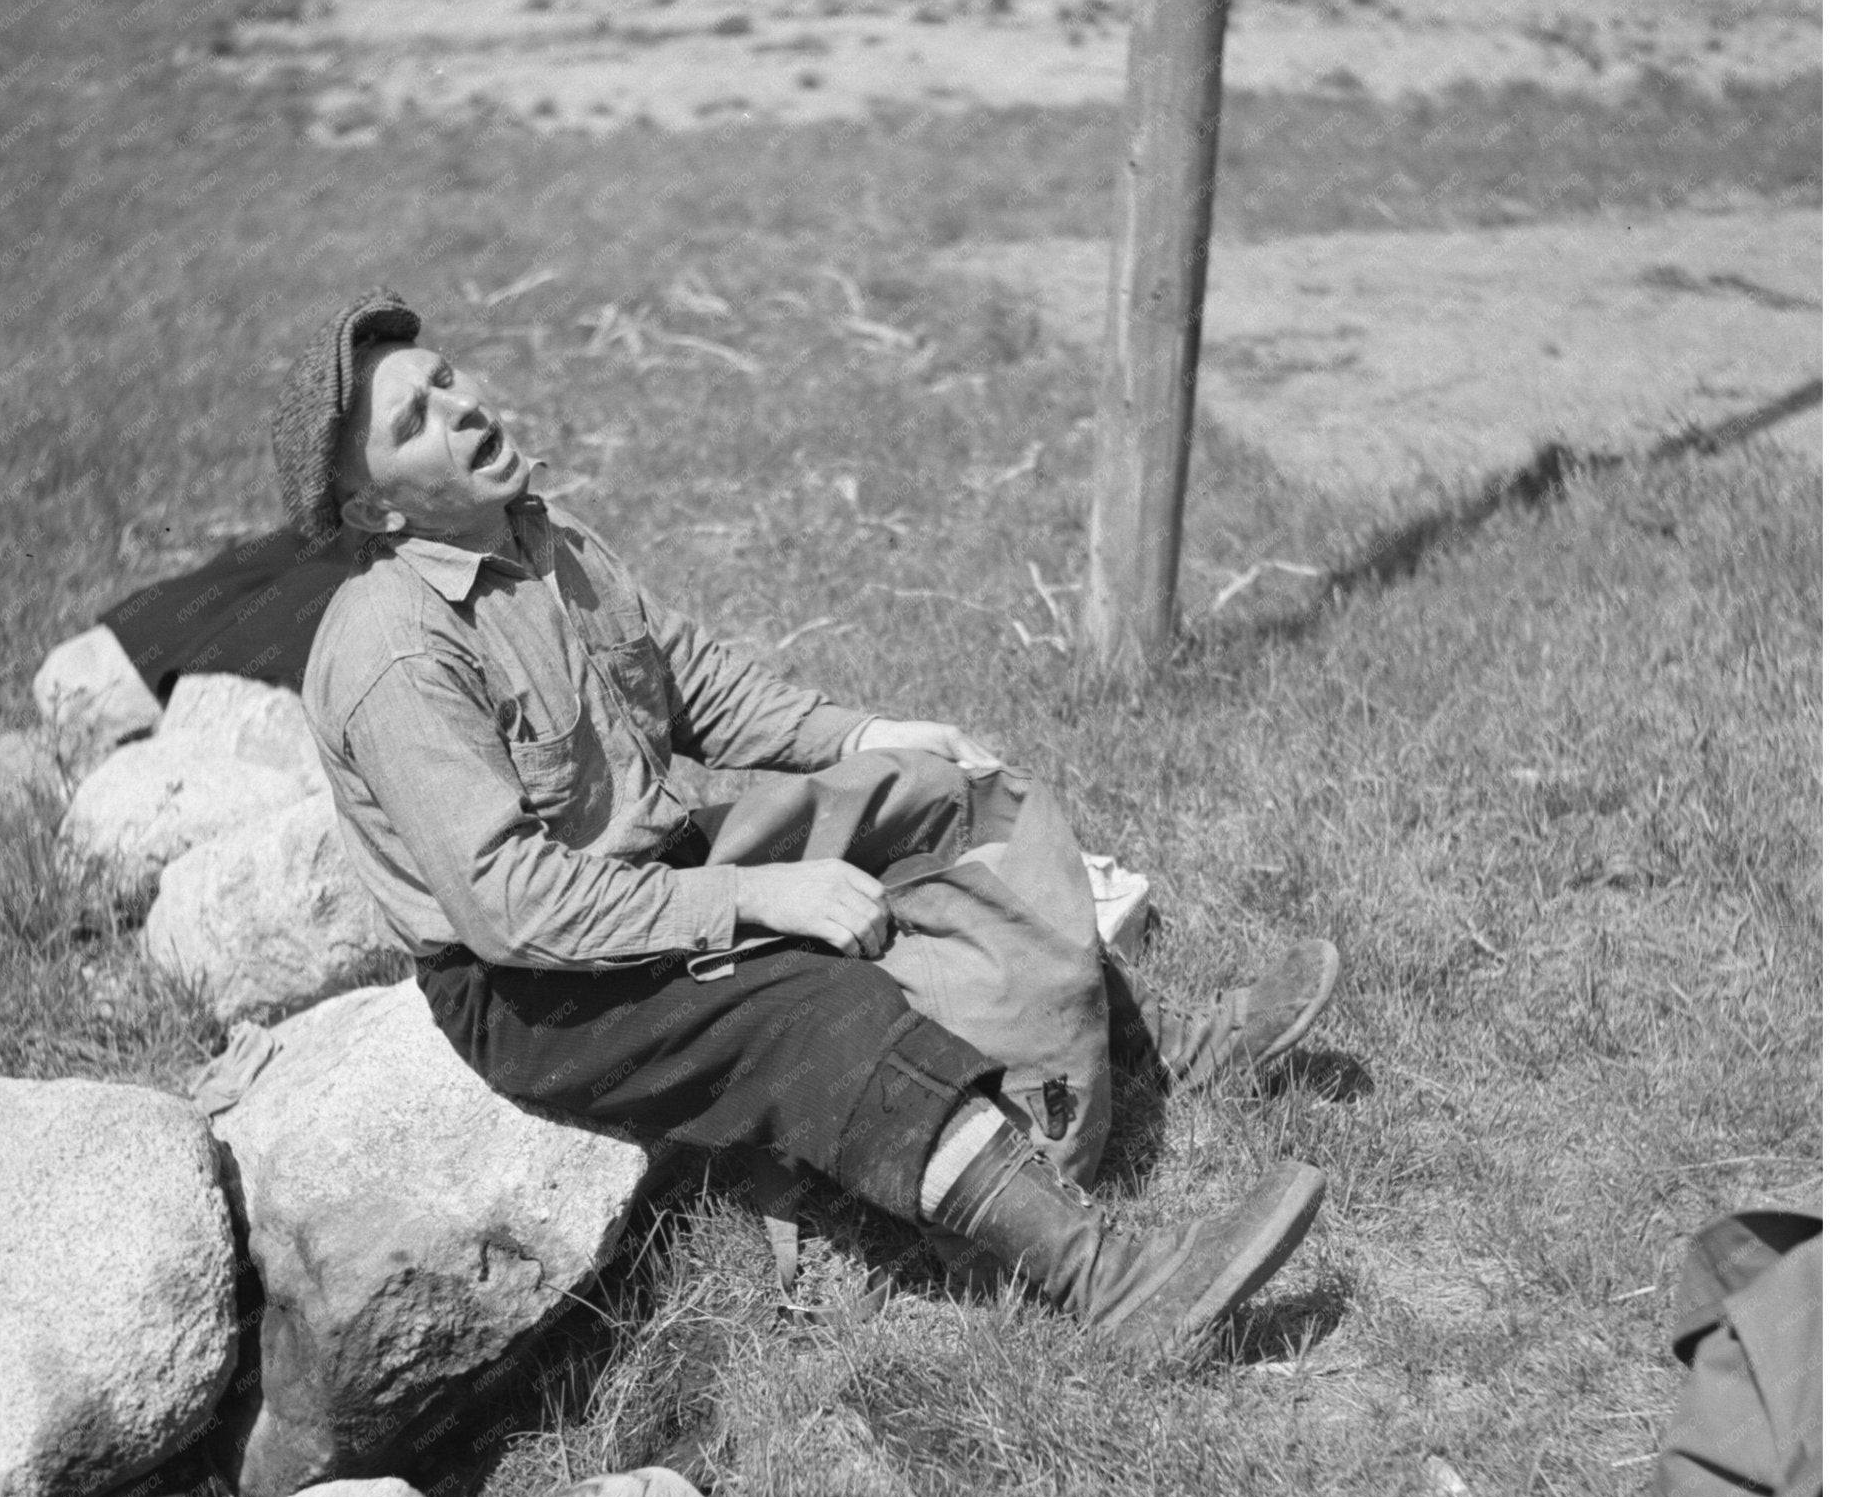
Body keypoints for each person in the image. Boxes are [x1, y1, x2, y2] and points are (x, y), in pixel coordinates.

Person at [279, 289, 1340, 1356]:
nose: (460, 409)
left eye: (446, 378)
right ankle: (1110, 1280)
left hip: (655, 871)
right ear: (377, 513)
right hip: (534, 984)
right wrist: (752, 897)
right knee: (810, 1002)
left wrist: (870, 734)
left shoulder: (542, 536)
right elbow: (512, 901)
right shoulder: (395, 651)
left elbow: (692, 684)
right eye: (414, 422)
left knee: (933, 798)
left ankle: (1152, 1056)